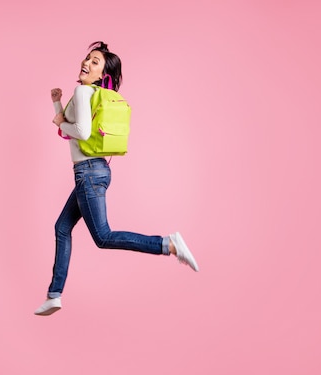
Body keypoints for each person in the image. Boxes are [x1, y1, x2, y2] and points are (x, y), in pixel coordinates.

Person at [34, 41, 199, 316]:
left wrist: (59, 120)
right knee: (62, 228)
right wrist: (56, 104)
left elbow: (81, 132)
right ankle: (54, 295)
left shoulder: (83, 90)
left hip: (88, 173)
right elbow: (69, 132)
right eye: (88, 58)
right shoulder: (91, 93)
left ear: (101, 74)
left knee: (103, 236)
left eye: (95, 61)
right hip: (92, 171)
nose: (87, 62)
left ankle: (167, 243)